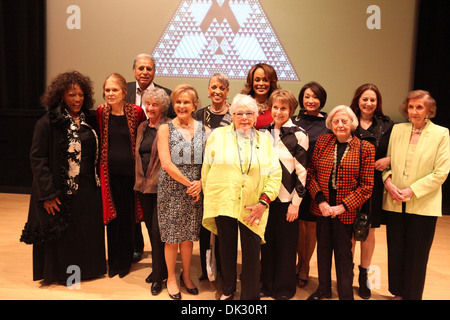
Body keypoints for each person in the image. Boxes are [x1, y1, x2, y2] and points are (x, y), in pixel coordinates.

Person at [20, 71, 106, 284]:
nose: (77, 100)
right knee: (65, 238)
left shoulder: (91, 119)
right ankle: (66, 276)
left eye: (81, 95)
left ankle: (86, 272)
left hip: (88, 189)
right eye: (71, 95)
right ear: (61, 96)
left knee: (85, 234)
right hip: (60, 192)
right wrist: (47, 194)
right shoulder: (48, 123)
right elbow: (38, 159)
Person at [202, 94, 282, 300]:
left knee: (251, 254)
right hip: (224, 201)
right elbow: (206, 170)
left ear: (256, 116)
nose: (244, 117)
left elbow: (275, 173)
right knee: (226, 250)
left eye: (249, 113)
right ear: (232, 115)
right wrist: (211, 197)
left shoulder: (265, 139)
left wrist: (264, 202)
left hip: (253, 205)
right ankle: (228, 290)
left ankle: (250, 296)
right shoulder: (217, 136)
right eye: (239, 113)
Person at [382, 90, 450, 300]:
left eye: (419, 107)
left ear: (429, 110)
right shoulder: (398, 129)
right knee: (396, 251)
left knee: (417, 254)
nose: (414, 111)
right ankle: (398, 293)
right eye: (411, 107)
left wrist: (411, 191)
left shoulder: (441, 133)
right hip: (394, 200)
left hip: (423, 203)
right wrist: (389, 183)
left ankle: (412, 296)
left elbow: (441, 172)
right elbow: (388, 162)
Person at [306, 105, 375, 300]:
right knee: (324, 250)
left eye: (344, 121)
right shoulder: (323, 141)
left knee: (344, 255)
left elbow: (367, 186)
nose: (340, 125)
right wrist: (320, 202)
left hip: (346, 210)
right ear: (330, 124)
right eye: (336, 121)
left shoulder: (365, 148)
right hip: (323, 208)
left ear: (352, 123)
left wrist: (343, 206)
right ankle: (323, 289)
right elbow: (311, 174)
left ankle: (345, 293)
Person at [157, 84, 207, 300]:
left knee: (188, 238)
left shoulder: (205, 130)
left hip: (195, 188)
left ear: (194, 105)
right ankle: (170, 278)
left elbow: (209, 162)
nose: (181, 105)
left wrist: (201, 182)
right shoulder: (165, 129)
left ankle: (186, 276)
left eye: (186, 101)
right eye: (178, 101)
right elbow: (166, 164)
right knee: (171, 238)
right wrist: (191, 184)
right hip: (172, 187)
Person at [125, 54, 175, 262]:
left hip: (159, 168)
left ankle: (161, 262)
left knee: (157, 222)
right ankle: (137, 247)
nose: (144, 72)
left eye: (149, 68)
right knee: (135, 214)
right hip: (134, 161)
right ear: (134, 70)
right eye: (141, 68)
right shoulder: (124, 90)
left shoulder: (167, 94)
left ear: (154, 71)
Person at [96, 73, 146, 278]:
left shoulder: (136, 112)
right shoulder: (101, 112)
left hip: (130, 175)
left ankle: (125, 262)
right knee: (112, 218)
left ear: (124, 92)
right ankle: (113, 261)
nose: (110, 93)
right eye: (107, 90)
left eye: (114, 90)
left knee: (127, 219)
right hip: (108, 175)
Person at [261, 89, 309, 300]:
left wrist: (296, 203)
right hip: (265, 200)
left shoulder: (299, 134)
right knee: (267, 244)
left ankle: (283, 289)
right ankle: (266, 286)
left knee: (286, 247)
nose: (278, 111)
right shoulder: (263, 132)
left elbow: (302, 171)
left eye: (283, 108)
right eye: (275, 107)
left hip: (287, 200)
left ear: (291, 109)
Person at [349, 83, 394, 299]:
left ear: (378, 103)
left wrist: (390, 159)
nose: (368, 103)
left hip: (374, 186)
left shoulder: (387, 125)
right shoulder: (347, 120)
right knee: (348, 232)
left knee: (369, 231)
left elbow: (401, 150)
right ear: (357, 100)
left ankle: (363, 275)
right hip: (349, 184)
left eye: (372, 100)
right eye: (365, 99)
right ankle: (345, 274)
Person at [292, 81, 330, 288]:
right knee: (299, 225)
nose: (311, 100)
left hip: (317, 180)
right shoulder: (293, 119)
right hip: (296, 180)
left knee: (312, 225)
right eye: (307, 96)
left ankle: (305, 265)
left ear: (321, 100)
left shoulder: (328, 123)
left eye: (315, 97)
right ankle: (298, 261)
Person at [194, 73, 232, 281]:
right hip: (203, 176)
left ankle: (224, 269)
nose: (217, 91)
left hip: (226, 179)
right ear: (208, 90)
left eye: (222, 88)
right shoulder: (199, 114)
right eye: (214, 87)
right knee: (204, 226)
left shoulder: (235, 115)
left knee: (223, 226)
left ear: (228, 92)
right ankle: (206, 269)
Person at [134, 87, 170, 295]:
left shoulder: (169, 127)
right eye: (147, 104)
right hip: (143, 187)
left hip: (162, 188)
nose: (150, 108)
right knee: (150, 230)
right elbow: (138, 156)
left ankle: (158, 276)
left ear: (163, 107)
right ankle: (160, 268)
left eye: (155, 104)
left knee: (158, 232)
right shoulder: (142, 127)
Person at [241, 63, 279, 129]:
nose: (261, 84)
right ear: (251, 82)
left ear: (271, 83)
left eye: (265, 80)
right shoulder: (243, 104)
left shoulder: (277, 105)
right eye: (257, 80)